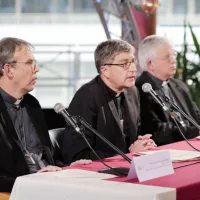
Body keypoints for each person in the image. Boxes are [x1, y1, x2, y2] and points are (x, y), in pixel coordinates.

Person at [62, 39, 156, 164]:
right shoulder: (87, 97)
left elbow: (133, 137)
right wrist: (128, 154)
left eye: (133, 62)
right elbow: (77, 154)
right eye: (124, 64)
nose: (133, 69)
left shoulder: (132, 91)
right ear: (105, 70)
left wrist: (143, 143)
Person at [0, 37, 62, 192]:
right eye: (29, 63)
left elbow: (45, 158)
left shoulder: (32, 104)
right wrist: (31, 182)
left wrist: (67, 168)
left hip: (46, 185)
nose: (36, 69)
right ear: (8, 70)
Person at [136, 35, 200, 146]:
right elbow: (156, 132)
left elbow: (196, 116)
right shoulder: (140, 89)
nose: (173, 60)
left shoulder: (179, 85)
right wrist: (195, 131)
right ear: (151, 64)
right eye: (167, 57)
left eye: (173, 55)